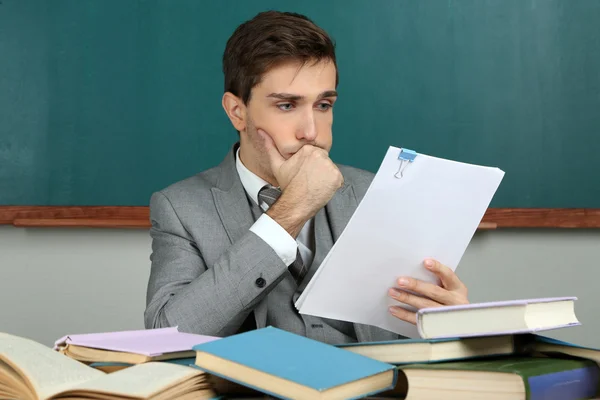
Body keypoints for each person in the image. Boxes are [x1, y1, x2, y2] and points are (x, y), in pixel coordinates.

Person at [144, 10, 469, 344]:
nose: (311, 133)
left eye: (324, 105)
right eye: (287, 105)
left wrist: (453, 326)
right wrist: (293, 208)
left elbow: (412, 342)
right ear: (236, 111)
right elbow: (165, 336)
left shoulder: (378, 194)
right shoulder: (181, 207)